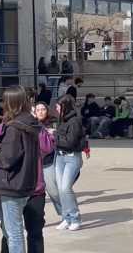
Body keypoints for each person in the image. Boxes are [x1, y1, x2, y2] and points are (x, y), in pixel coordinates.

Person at [0, 85, 40, 253]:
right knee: (12, 232)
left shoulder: (14, 127)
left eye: (4, 101)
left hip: (11, 185)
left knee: (13, 233)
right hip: (24, 182)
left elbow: (7, 159)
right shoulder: (30, 123)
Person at [0, 101, 52, 253]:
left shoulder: (39, 130)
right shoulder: (5, 128)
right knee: (11, 233)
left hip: (30, 189)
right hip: (16, 189)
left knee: (27, 233)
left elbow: (47, 149)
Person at [54, 94, 85, 231]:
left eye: (58, 106)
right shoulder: (61, 120)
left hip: (72, 157)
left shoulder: (75, 121)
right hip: (60, 157)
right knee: (60, 189)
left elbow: (70, 142)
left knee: (66, 188)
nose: (56, 108)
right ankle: (66, 218)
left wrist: (54, 136)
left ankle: (75, 217)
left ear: (64, 107)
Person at [36, 102, 61, 219]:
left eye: (43, 109)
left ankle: (66, 213)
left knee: (53, 191)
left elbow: (59, 138)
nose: (40, 112)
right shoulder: (31, 124)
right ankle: (37, 218)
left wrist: (54, 133)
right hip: (34, 163)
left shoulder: (53, 122)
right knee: (35, 195)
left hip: (48, 161)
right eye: (38, 110)